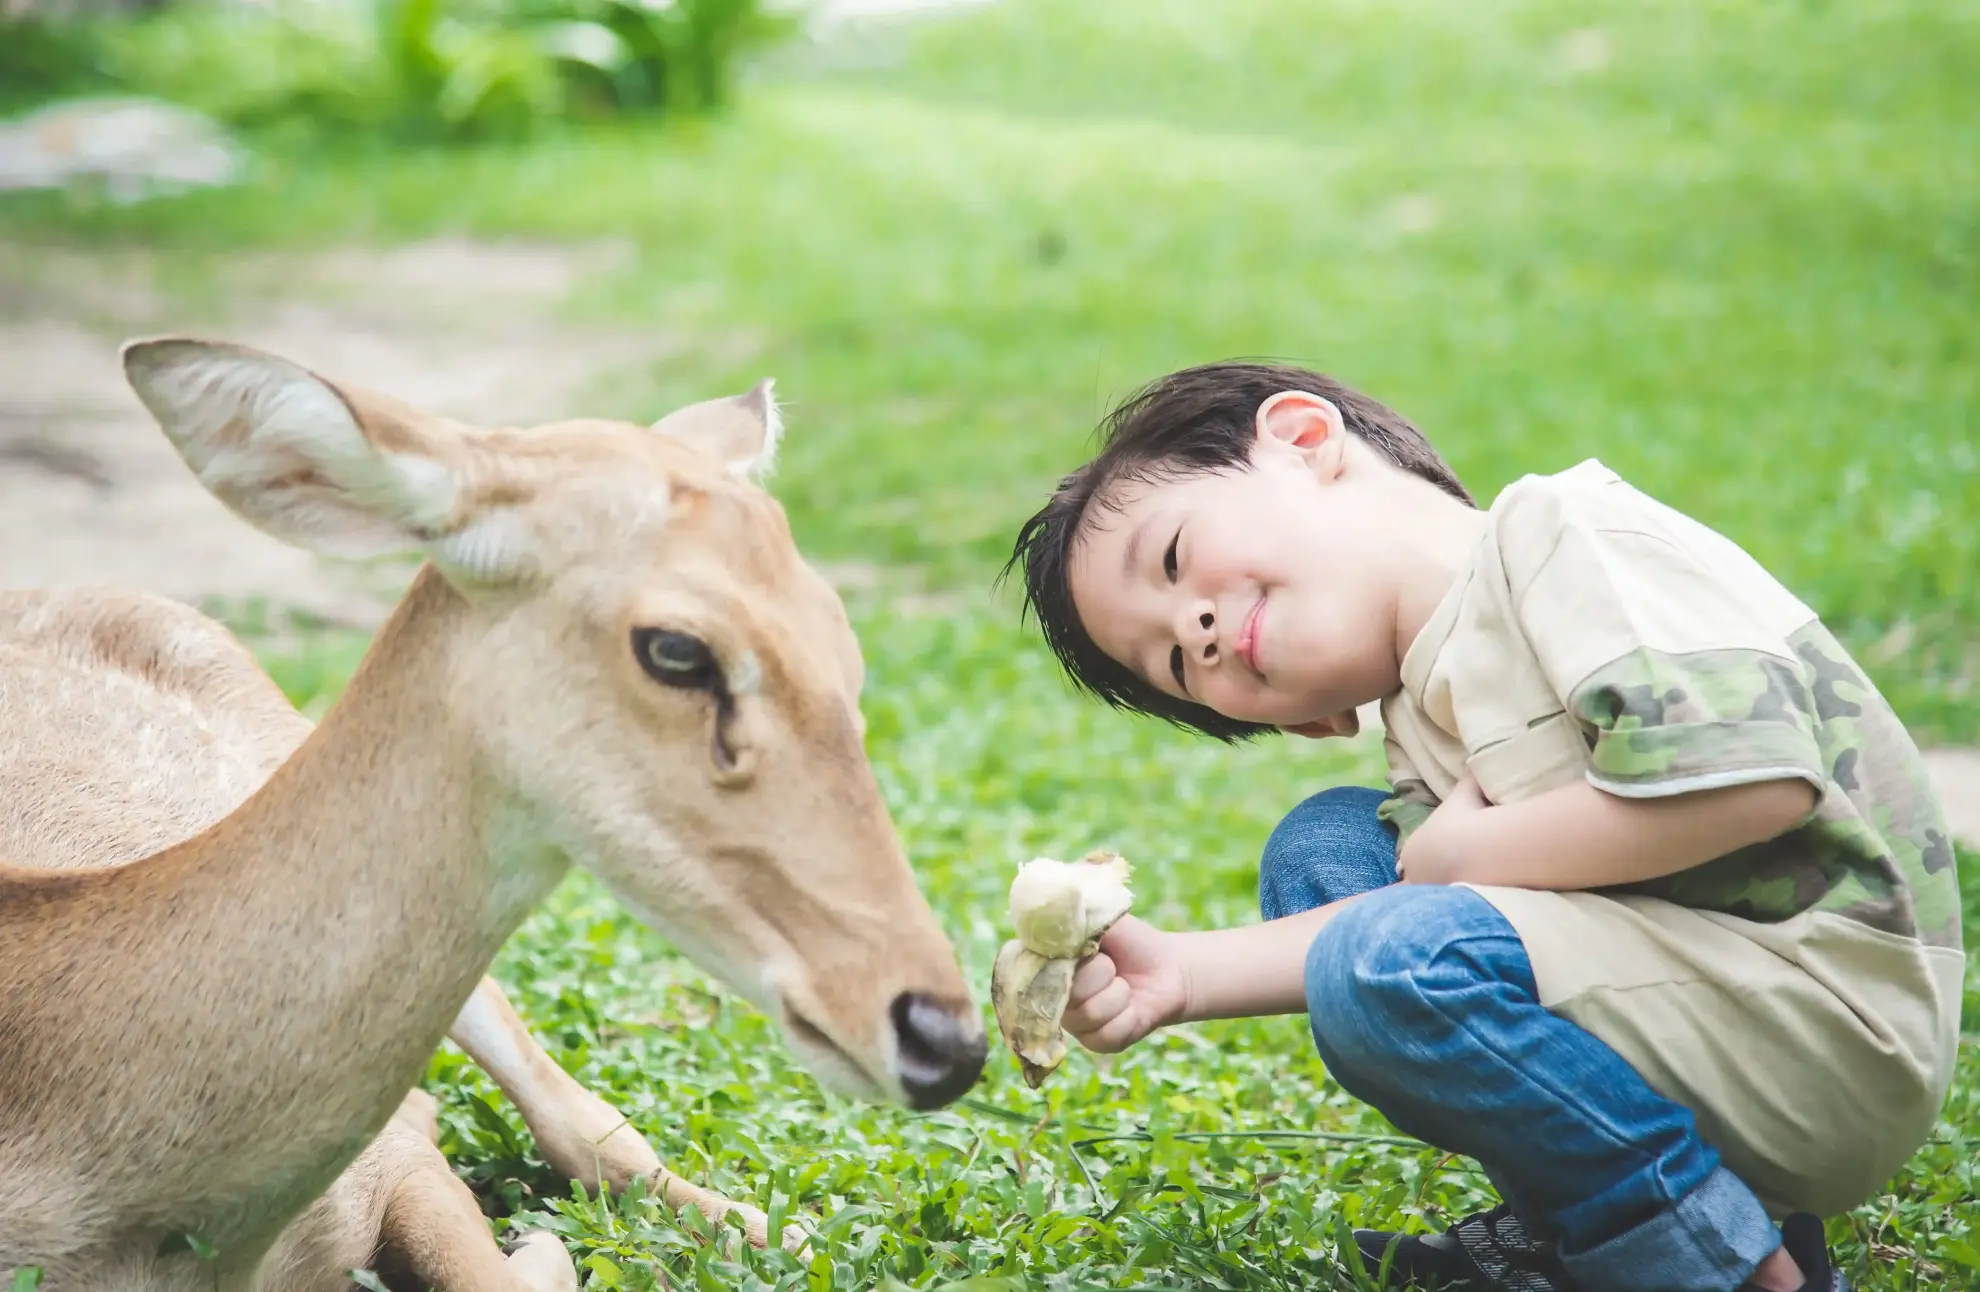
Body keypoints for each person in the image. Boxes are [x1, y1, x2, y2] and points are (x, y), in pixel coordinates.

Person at [1003, 361, 1964, 1292]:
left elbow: (1752, 788)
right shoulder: (1420, 730)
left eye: (1173, 561)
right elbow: (1398, 931)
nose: (1197, 627)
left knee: (1393, 936)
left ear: (1302, 441)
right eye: (1176, 661)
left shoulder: (1565, 536)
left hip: (1824, 1020)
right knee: (1329, 853)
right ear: (1300, 720)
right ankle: (1611, 1219)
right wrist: (1177, 975)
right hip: (1708, 1006)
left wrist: (1463, 856)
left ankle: (1704, 1258)